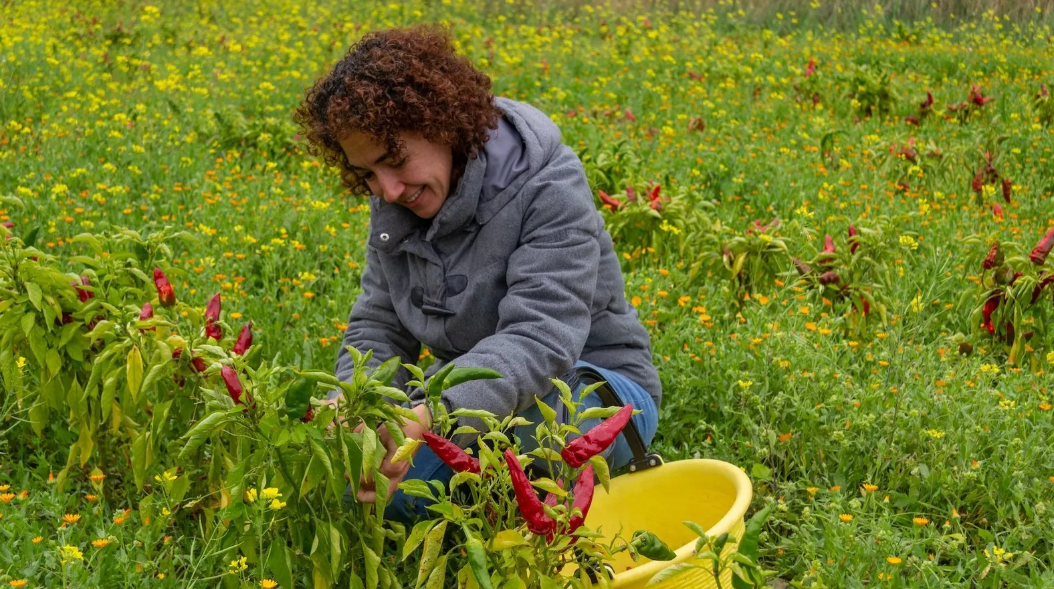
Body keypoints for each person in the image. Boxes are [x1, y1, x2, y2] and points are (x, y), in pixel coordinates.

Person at [294, 24, 661, 522]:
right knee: (364, 485)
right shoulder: (397, 205)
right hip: (477, 399)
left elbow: (541, 338)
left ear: (442, 125)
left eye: (394, 161)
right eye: (367, 175)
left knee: (461, 471)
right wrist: (360, 407)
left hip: (593, 391)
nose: (388, 189)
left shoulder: (548, 182)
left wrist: (432, 415)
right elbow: (378, 326)